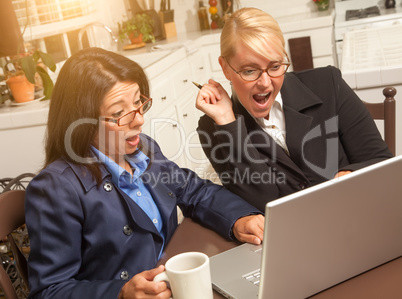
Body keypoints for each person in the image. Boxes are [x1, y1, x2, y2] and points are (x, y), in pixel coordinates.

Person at [25, 47, 264, 299]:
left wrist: (240, 218)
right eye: (119, 113)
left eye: (139, 102)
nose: (138, 120)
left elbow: (194, 190)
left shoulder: (143, 149)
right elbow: (48, 292)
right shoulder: (55, 188)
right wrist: (120, 293)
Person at [195, 7, 393, 212]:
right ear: (226, 68)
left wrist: (351, 174)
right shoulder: (214, 128)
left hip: (353, 215)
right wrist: (229, 123)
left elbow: (381, 163)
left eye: (274, 67)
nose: (265, 83)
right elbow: (260, 205)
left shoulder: (328, 84)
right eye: (250, 70)